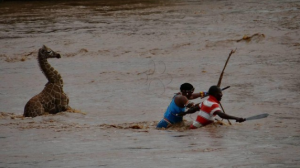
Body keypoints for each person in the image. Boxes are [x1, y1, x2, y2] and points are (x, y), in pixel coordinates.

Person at [178, 85, 246, 129]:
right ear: (215, 94)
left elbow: (194, 109)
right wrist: (236, 118)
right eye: (220, 93)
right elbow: (222, 115)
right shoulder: (213, 104)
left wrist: (184, 113)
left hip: (193, 127)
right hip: (197, 129)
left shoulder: (205, 102)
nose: (221, 94)